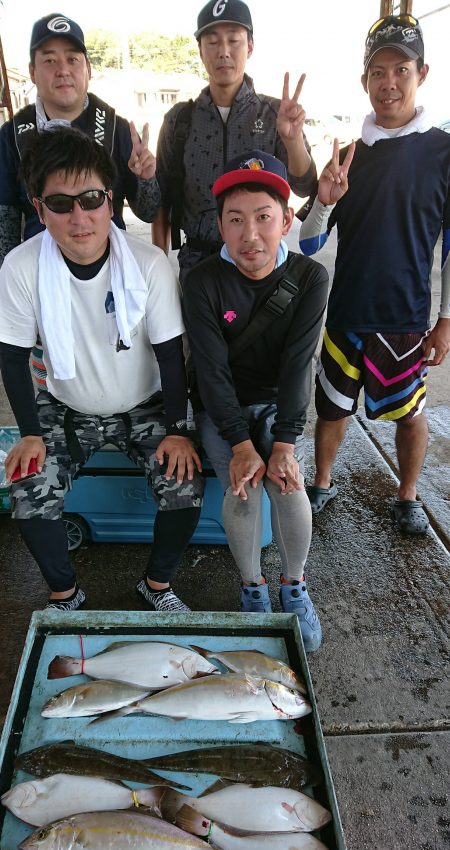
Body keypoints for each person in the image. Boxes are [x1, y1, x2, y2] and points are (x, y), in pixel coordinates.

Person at [0, 126, 203, 612]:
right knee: (27, 486)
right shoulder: (21, 266)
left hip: (144, 401)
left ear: (110, 201)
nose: (80, 217)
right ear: (38, 207)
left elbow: (171, 354)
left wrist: (177, 428)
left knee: (185, 483)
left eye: (91, 198)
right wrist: (29, 432)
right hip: (66, 403)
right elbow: (11, 355)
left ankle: (156, 587)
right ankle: (65, 594)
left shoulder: (150, 264)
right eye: (60, 203)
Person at [299, 14, 450, 535]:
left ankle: (408, 496)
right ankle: (322, 483)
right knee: (332, 409)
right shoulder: (349, 154)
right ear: (364, 81)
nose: (389, 83)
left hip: (408, 316)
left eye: (401, 70)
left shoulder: (443, 152)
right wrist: (323, 199)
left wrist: (446, 319)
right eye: (378, 72)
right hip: (345, 314)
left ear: (422, 73)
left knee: (410, 414)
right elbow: (310, 241)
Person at [182, 149, 329, 652]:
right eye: (236, 220)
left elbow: (298, 365)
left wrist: (284, 442)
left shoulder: (310, 278)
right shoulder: (201, 281)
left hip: (275, 401)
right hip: (221, 407)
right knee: (241, 484)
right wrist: (241, 444)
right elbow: (210, 369)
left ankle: (295, 586)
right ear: (220, 226)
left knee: (288, 484)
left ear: (286, 220)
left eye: (264, 218)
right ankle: (252, 589)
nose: (251, 235)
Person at [152, 0, 317, 283]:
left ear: (250, 46)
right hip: (198, 268)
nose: (224, 52)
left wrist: (292, 141)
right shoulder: (179, 120)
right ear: (200, 50)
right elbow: (162, 200)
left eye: (234, 40)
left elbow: (304, 187)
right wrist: (159, 271)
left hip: (263, 268)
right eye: (213, 41)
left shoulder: (277, 114)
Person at [0, 12, 160, 266]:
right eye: (50, 60)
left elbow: (149, 212)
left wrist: (146, 179)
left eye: (73, 59)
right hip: (39, 271)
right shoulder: (11, 137)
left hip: (110, 270)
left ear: (88, 68)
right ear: (32, 71)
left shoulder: (117, 129)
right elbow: (4, 227)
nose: (63, 70)